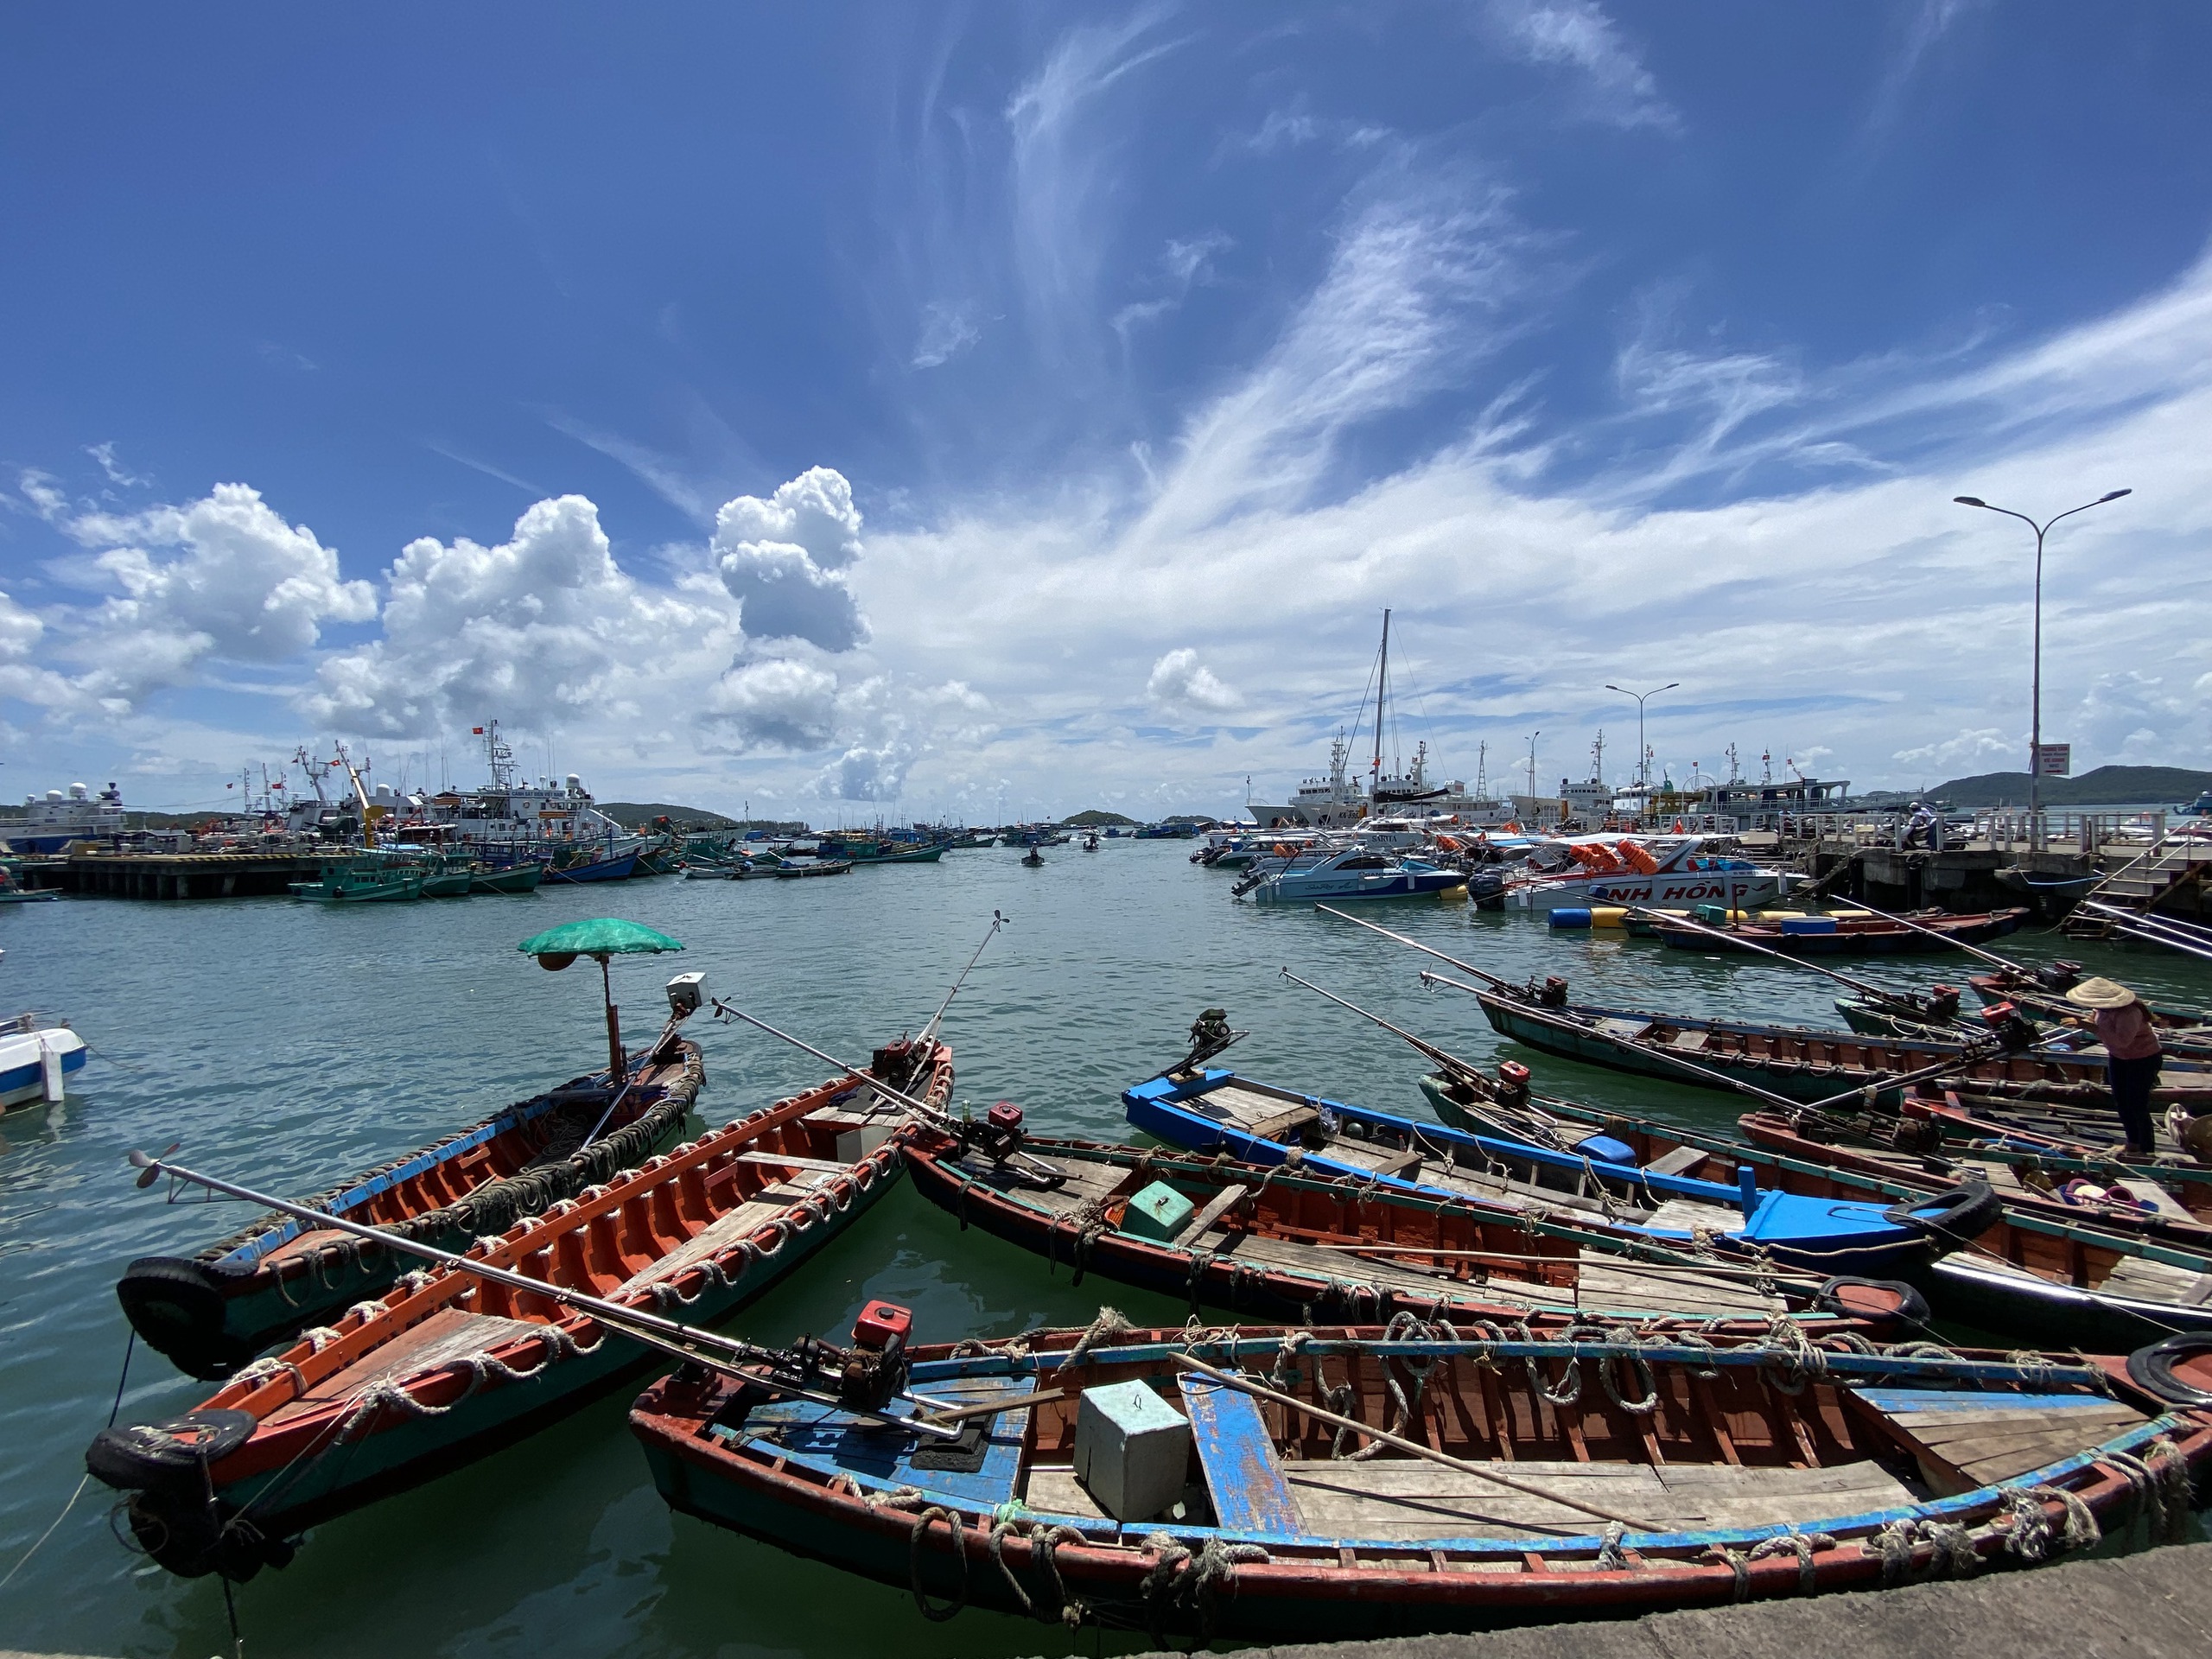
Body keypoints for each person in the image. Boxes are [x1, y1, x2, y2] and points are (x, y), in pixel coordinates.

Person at [2066, 977, 2164, 1157]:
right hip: (2119, 1058)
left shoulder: (2129, 1013)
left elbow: (2122, 1041)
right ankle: (2132, 1143)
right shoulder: (2101, 1010)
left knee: (2137, 1103)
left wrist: (2093, 1029)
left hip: (2143, 1059)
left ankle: (2146, 1149)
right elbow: (2096, 1021)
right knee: (2121, 1100)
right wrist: (2082, 1022)